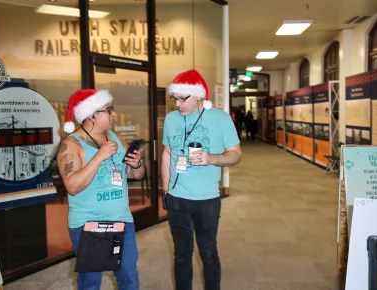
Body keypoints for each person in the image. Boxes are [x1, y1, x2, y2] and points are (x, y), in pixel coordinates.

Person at [161, 70, 242, 290]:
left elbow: (236, 154)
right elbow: (167, 153)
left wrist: (211, 158)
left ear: (198, 96)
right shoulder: (170, 119)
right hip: (176, 198)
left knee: (208, 253)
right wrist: (165, 189)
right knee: (181, 255)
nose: (178, 104)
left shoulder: (220, 118)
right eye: (174, 98)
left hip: (206, 200)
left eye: (182, 98)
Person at [57, 89, 144, 290]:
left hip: (122, 220)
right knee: (90, 284)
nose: (113, 114)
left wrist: (137, 165)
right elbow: (72, 187)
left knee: (129, 279)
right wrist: (99, 156)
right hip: (89, 224)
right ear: (91, 115)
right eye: (108, 110)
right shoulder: (70, 145)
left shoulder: (117, 137)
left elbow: (136, 176)